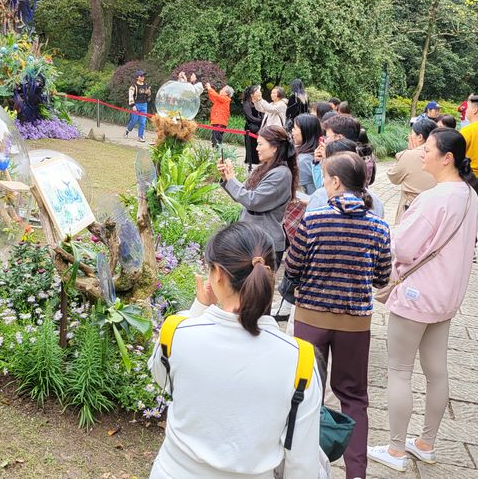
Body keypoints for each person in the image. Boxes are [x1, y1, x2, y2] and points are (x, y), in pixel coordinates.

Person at [149, 223, 325, 479]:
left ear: (217, 273)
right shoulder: (301, 360)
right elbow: (302, 464)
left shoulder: (176, 333)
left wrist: (199, 308)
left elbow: (165, 381)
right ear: (270, 274)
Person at [368, 129, 478, 472]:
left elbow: (402, 246)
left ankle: (397, 449)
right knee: (436, 372)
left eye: (428, 149)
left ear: (447, 158)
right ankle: (426, 442)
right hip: (446, 297)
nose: (421, 153)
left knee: (399, 371)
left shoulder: (434, 198)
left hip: (417, 295)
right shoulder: (468, 195)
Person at [285, 152, 392, 479]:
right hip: (355, 323)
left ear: (334, 182)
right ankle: (355, 473)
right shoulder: (377, 225)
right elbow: (382, 277)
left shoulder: (314, 220)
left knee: (301, 392)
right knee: (354, 397)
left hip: (310, 318)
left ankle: (297, 465)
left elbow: (291, 268)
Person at [218, 125, 297, 258]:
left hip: (265, 244)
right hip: (254, 239)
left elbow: (252, 201)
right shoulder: (265, 168)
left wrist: (232, 179)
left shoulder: (281, 174)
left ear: (274, 147)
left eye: (260, 144)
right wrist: (226, 177)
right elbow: (244, 195)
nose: (256, 148)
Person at [305, 139, 387, 219]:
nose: (322, 162)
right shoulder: (375, 201)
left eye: (324, 159)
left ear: (335, 181)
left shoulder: (320, 196)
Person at [387, 117, 438, 224]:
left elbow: (393, 176)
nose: (409, 136)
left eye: (412, 134)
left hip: (410, 209)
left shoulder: (409, 155)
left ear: (420, 137)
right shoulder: (441, 154)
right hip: (435, 211)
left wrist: (408, 153)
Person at [292, 113, 322, 195]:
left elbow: (306, 192)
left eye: (295, 128)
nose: (292, 131)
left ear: (305, 131)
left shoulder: (304, 160)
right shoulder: (315, 153)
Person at [124, 70, 152, 142]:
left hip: (144, 105)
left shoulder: (146, 85)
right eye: (141, 76)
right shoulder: (133, 86)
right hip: (136, 104)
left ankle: (140, 136)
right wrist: (133, 105)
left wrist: (148, 93)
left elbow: (149, 97)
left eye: (143, 76)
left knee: (143, 121)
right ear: (137, 77)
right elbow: (130, 96)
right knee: (134, 120)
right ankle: (128, 129)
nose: (143, 77)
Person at [206, 82, 233, 149]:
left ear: (226, 93)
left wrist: (210, 88)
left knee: (216, 140)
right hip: (217, 122)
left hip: (219, 122)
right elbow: (213, 97)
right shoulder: (220, 100)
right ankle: (218, 155)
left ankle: (217, 155)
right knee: (215, 139)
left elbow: (216, 96)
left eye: (223, 89)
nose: (221, 90)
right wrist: (209, 90)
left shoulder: (226, 99)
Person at [243, 86, 263, 171]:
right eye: (257, 91)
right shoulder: (247, 103)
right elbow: (250, 117)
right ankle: (251, 161)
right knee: (251, 144)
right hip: (250, 127)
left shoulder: (257, 102)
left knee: (257, 144)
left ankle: (257, 160)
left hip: (258, 127)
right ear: (252, 94)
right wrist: (261, 120)